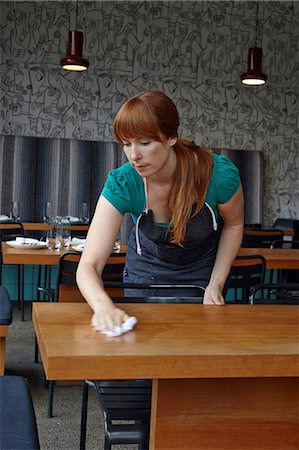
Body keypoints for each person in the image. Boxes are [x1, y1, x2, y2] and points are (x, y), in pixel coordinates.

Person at [76, 90, 244, 332]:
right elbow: (88, 266)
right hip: (144, 278)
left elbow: (234, 225)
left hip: (201, 279)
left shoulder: (217, 175)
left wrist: (216, 283)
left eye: (145, 143)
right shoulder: (123, 183)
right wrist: (103, 306)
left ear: (171, 138)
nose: (134, 155)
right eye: (126, 144)